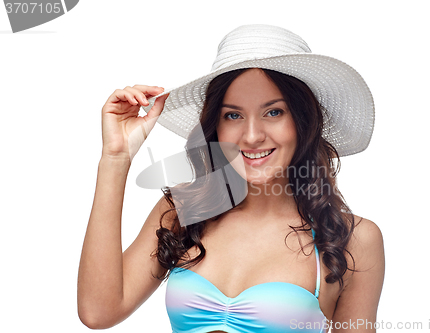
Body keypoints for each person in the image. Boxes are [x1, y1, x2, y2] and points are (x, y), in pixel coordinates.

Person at [78, 24, 385, 333]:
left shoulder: (353, 239)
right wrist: (115, 159)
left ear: (303, 121)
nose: (251, 136)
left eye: (274, 112)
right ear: (216, 127)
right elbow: (99, 312)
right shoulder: (183, 209)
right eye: (233, 115)